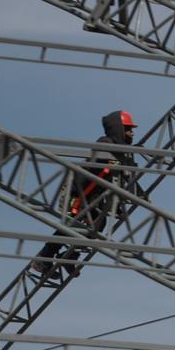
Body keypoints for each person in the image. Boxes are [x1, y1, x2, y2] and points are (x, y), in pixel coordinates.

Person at [30, 110, 143, 280]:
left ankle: (69, 257)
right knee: (73, 226)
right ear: (118, 129)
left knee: (97, 225)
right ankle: (43, 259)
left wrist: (123, 203)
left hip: (90, 195)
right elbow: (111, 177)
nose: (132, 133)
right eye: (128, 129)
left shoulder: (120, 154)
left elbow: (118, 181)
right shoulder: (105, 145)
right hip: (77, 191)